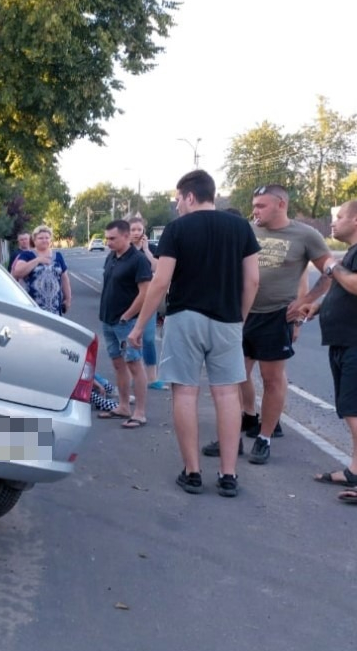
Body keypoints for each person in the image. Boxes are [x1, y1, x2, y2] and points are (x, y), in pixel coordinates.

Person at [128, 170, 260, 498]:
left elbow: (160, 281)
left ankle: (192, 472)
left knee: (186, 394)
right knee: (227, 395)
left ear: (189, 196)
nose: (176, 206)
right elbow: (253, 280)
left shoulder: (177, 229)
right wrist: (238, 319)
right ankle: (228, 475)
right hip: (227, 320)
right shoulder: (241, 227)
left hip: (185, 317)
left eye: (177, 199)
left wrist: (140, 325)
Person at [201, 184, 332, 464]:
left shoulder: (305, 235)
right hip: (241, 315)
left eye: (261, 205)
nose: (255, 211)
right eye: (254, 205)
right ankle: (231, 438)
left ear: (280, 204)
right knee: (233, 378)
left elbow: (330, 272)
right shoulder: (246, 230)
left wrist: (306, 300)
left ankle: (264, 438)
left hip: (276, 317)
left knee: (272, 380)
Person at [295, 200, 357, 502]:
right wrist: (318, 307)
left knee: (355, 411)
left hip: (355, 342)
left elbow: (355, 284)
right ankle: (354, 471)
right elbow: (342, 288)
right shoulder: (353, 254)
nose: (334, 223)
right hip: (342, 341)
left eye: (340, 217)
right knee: (350, 409)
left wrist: (332, 266)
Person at [98, 219, 151, 428]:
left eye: (112, 238)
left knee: (135, 365)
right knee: (118, 365)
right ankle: (123, 406)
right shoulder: (111, 257)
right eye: (107, 238)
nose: (108, 242)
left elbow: (145, 292)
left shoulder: (138, 260)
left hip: (126, 323)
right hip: (108, 321)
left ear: (126, 236)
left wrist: (127, 316)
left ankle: (139, 412)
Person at [128, 214, 167, 391]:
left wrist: (147, 251)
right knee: (130, 339)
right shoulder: (124, 249)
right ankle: (132, 376)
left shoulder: (150, 247)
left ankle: (152, 377)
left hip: (148, 300)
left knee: (149, 339)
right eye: (132, 229)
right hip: (129, 301)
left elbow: (158, 269)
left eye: (139, 229)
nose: (136, 232)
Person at [11, 225, 72, 315]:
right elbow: (17, 272)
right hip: (34, 306)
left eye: (47, 238)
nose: (44, 240)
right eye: (41, 238)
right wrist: (37, 260)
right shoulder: (27, 255)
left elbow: (65, 278)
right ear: (34, 240)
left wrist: (68, 299)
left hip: (54, 306)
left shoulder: (58, 256)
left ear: (50, 240)